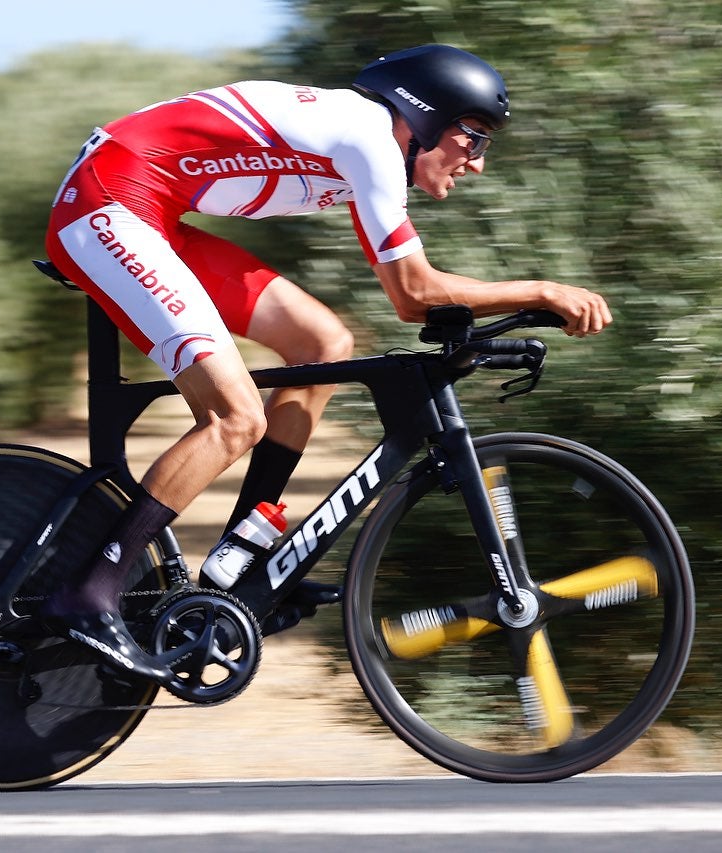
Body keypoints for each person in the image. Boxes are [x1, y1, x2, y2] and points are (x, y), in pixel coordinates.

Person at [40, 44, 612, 683]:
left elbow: (412, 292)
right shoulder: (369, 138)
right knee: (235, 418)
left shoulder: (368, 145)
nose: (476, 163)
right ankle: (88, 592)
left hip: (151, 211)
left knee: (324, 345)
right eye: (472, 137)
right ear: (422, 118)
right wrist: (541, 292)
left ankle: (242, 562)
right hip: (106, 205)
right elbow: (413, 295)